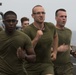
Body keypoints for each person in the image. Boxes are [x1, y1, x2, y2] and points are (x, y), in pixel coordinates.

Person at [22, 5, 58, 75]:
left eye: (43, 13)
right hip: (30, 66)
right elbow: (25, 51)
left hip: (46, 64)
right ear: (32, 16)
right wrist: (36, 38)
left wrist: (55, 52)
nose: (41, 15)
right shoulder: (27, 30)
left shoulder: (50, 26)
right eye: (38, 13)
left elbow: (55, 36)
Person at [0, 10, 36, 75]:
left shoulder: (24, 37)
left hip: (19, 72)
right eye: (8, 21)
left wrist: (25, 56)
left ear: (16, 22)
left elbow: (33, 57)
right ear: (3, 22)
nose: (11, 23)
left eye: (13, 21)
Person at [53, 8, 73, 75]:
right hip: (52, 66)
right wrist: (58, 49)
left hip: (66, 67)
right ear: (56, 18)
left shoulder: (69, 32)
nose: (64, 18)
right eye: (61, 16)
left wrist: (72, 52)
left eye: (65, 17)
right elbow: (43, 49)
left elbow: (68, 46)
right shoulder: (51, 31)